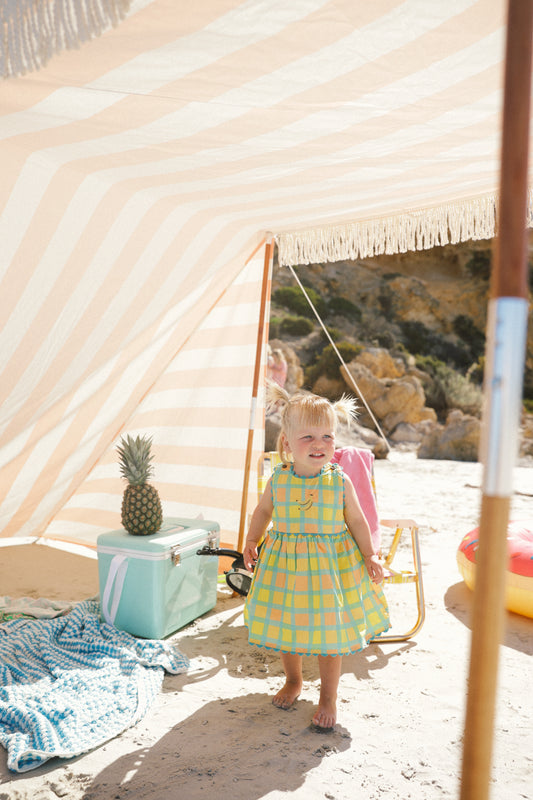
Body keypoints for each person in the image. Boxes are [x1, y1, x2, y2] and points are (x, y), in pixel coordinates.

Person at [243, 384, 389, 732]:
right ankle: (294, 680)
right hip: (286, 569)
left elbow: (357, 519)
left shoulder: (338, 481)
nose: (320, 443)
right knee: (286, 626)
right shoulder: (278, 478)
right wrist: (252, 538)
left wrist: (370, 554)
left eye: (327, 435)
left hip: (329, 571)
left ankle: (328, 697)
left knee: (329, 633)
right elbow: (263, 512)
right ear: (287, 443)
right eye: (308, 436)